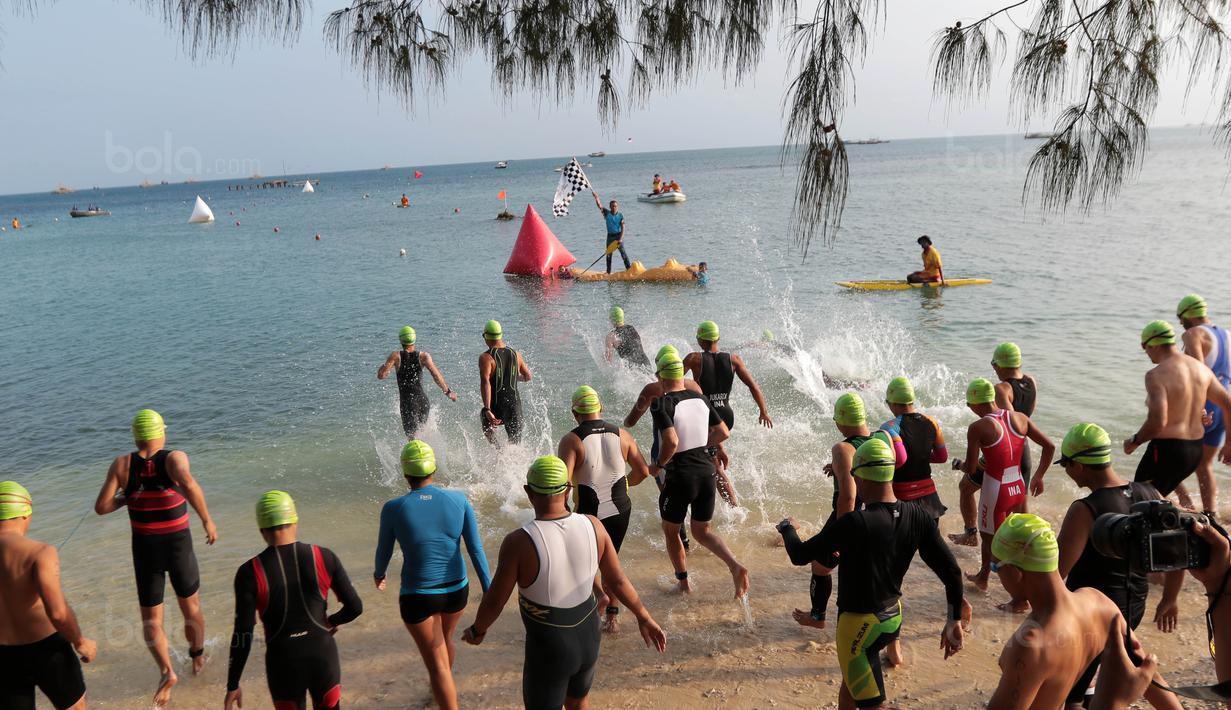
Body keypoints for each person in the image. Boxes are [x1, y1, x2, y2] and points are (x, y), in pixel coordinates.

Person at [461, 456, 667, 710]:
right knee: (578, 702)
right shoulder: (593, 525)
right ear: (569, 489)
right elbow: (618, 580)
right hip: (589, 637)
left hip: (551, 647)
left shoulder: (519, 542)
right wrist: (644, 617)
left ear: (528, 492)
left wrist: (478, 631)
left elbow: (494, 601)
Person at [779, 438, 968, 710]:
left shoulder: (854, 523)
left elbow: (799, 555)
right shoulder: (919, 516)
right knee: (852, 684)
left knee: (873, 705)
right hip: (892, 617)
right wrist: (953, 619)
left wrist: (787, 527)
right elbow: (951, 571)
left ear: (861, 476)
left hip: (858, 627)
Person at [1053, 423, 1182, 709]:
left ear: (1081, 466)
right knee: (1135, 663)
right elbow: (1178, 551)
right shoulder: (1150, 493)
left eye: (1066, 465)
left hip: (1094, 612)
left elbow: (1059, 571)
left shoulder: (1085, 509)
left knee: (1071, 691)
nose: (1067, 472)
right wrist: (1170, 598)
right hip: (1134, 603)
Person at [93, 409, 217, 707]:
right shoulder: (175, 458)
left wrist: (127, 497)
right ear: (162, 432)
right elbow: (188, 484)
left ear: (136, 436)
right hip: (178, 546)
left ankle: (166, 671)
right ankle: (197, 657)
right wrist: (207, 520)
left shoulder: (122, 464)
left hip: (145, 548)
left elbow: (101, 506)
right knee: (191, 607)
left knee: (151, 620)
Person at [374, 441, 491, 710]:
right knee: (444, 642)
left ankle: (442, 693)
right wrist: (488, 588)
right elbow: (475, 548)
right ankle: (439, 690)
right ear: (433, 469)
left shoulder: (393, 508)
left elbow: (384, 551)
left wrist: (379, 574)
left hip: (419, 597)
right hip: (456, 592)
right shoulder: (458, 499)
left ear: (405, 473)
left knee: (436, 664)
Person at [225, 491, 363, 710]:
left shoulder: (249, 572)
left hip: (283, 662)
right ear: (295, 521)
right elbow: (355, 607)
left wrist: (233, 683)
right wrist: (330, 622)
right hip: (322, 656)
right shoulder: (324, 556)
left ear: (262, 530)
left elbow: (243, 633)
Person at [987, 514, 1134, 708]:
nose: (997, 575)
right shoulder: (1099, 603)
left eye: (995, 568)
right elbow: (1150, 678)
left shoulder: (1030, 645)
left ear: (1016, 573)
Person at [793, 393, 906, 630]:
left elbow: (849, 494)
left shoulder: (842, 448)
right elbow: (883, 469)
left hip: (850, 515)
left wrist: (841, 536)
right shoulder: (884, 437)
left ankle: (818, 616)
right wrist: (839, 467)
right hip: (882, 513)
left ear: (840, 421)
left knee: (819, 565)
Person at [650, 350, 749, 596]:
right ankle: (735, 566)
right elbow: (723, 432)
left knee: (671, 529)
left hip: (680, 474)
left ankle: (683, 584)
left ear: (661, 377)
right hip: (706, 471)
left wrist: (659, 465)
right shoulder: (700, 399)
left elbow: (671, 441)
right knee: (702, 531)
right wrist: (703, 445)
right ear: (680, 376)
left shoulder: (660, 403)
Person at [557, 385, 651, 632]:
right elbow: (643, 471)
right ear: (601, 408)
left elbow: (564, 483)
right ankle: (612, 619)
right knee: (611, 562)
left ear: (574, 413)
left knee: (579, 562)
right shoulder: (623, 435)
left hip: (590, 511)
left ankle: (598, 597)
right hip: (621, 508)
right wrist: (624, 485)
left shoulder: (571, 440)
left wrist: (562, 510)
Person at [0, 482, 96, 710]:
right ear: (25, 513)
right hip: (48, 651)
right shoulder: (40, 552)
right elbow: (58, 612)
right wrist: (80, 642)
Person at [959, 378, 1055, 599]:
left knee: (995, 547)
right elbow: (1049, 446)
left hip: (995, 491)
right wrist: (1038, 476)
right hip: (1018, 486)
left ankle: (1020, 599)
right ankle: (983, 577)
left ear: (975, 404)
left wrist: (958, 465)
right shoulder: (1019, 418)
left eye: (968, 405)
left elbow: (971, 467)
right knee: (1012, 539)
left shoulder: (977, 427)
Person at [1126, 320, 1231, 500]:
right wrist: (1229, 443)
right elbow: (1228, 403)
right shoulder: (1201, 369)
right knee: (1154, 500)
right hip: (1195, 451)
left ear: (1153, 344)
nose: (1146, 352)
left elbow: (1158, 421)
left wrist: (1135, 440)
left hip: (1168, 450)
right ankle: (1196, 517)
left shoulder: (1155, 375)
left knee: (1137, 501)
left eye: (1145, 347)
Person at [952, 342, 1041, 547]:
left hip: (1007, 450)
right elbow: (1025, 416)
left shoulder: (1001, 389)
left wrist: (985, 458)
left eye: (994, 364)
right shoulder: (1031, 381)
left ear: (1000, 363)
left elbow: (1004, 422)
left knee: (966, 487)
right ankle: (1027, 546)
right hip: (1022, 447)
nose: (993, 368)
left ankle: (973, 534)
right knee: (1020, 503)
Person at [1178, 294, 1231, 517]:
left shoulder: (1193, 333)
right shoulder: (1227, 335)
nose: (1180, 323)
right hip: (1224, 403)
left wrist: (1198, 407)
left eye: (1180, 318)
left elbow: (1199, 372)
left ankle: (1186, 504)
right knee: (1204, 465)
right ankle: (1211, 514)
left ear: (1186, 316)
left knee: (1165, 455)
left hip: (1204, 403)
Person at [683, 320, 773, 433]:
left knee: (701, 448)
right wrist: (763, 412)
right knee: (717, 448)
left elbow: (672, 380)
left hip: (706, 415)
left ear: (700, 340)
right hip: (726, 416)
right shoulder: (734, 360)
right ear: (718, 338)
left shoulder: (693, 359)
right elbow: (753, 386)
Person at [879, 376, 948, 520]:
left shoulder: (889, 428)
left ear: (892, 403)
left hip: (903, 498)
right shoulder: (932, 423)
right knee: (929, 542)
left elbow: (889, 463)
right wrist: (919, 455)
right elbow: (942, 457)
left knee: (904, 543)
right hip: (930, 499)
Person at [378, 325, 458, 438]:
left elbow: (381, 375)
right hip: (423, 402)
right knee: (421, 436)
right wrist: (448, 392)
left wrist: (386, 364)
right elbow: (436, 375)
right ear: (414, 339)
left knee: (412, 439)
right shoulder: (424, 356)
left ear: (401, 340)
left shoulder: (395, 356)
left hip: (408, 404)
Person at [478, 320, 532, 445]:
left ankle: (498, 451)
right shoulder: (516, 354)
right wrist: (512, 377)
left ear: (486, 336)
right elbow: (528, 376)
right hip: (514, 406)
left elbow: (485, 382)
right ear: (500, 335)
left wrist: (487, 409)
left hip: (496, 406)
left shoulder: (486, 358)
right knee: (515, 446)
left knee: (484, 418)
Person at [591, 191, 630, 273]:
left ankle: (629, 269)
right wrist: (596, 197)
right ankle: (608, 272)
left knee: (623, 253)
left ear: (617, 207)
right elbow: (599, 205)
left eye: (615, 206)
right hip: (610, 237)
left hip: (618, 236)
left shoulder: (620, 215)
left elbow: (623, 227)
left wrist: (621, 239)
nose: (614, 208)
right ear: (610, 207)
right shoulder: (607, 213)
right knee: (608, 255)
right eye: (612, 206)